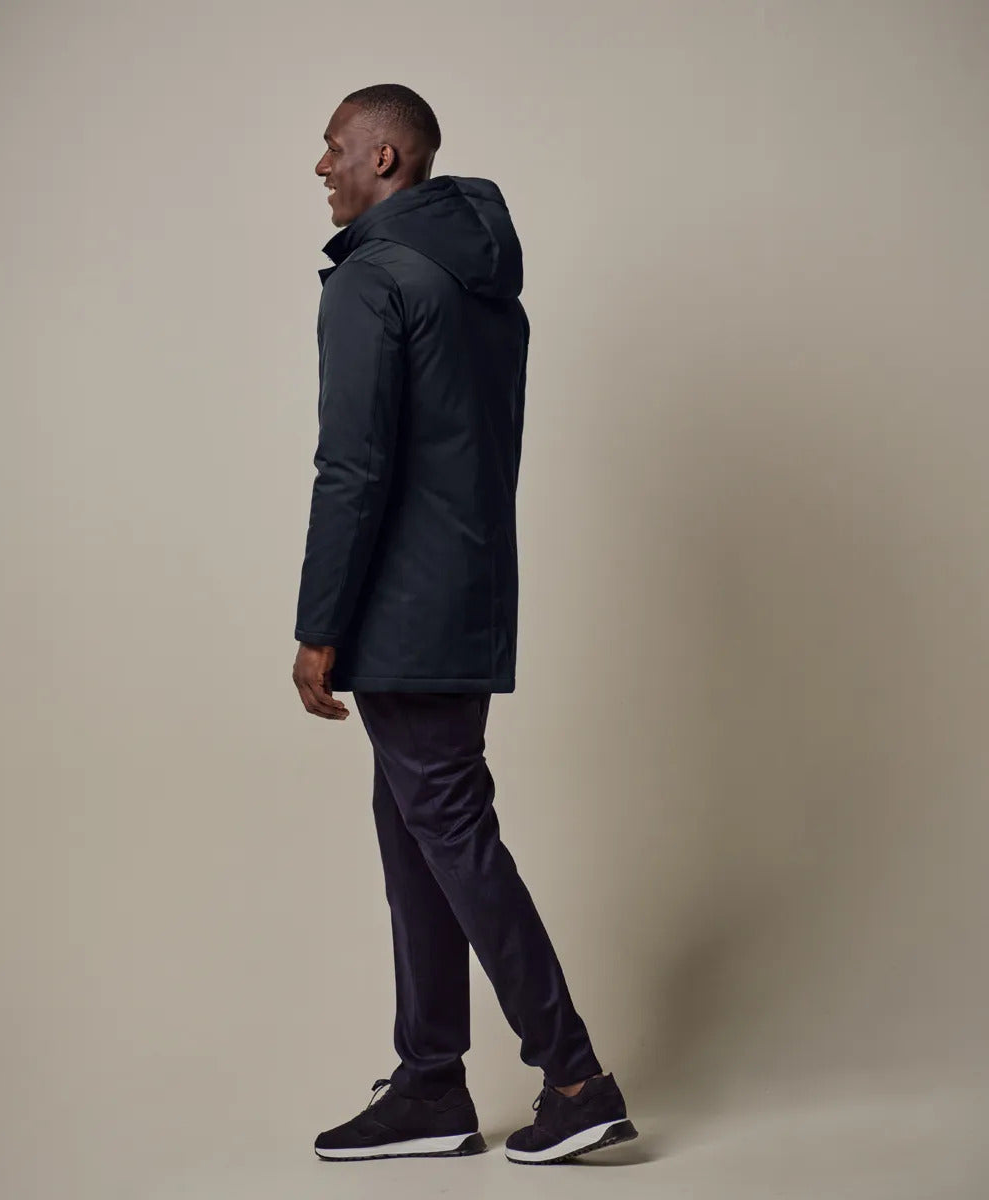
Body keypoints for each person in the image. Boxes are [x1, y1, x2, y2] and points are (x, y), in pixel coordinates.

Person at [292, 82, 637, 1165]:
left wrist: (319, 624)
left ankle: (574, 1077)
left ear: (385, 157)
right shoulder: (478, 277)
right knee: (417, 831)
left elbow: (353, 467)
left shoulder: (375, 279)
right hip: (470, 591)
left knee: (446, 827)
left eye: (334, 147)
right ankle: (431, 1083)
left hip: (401, 604)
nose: (320, 167)